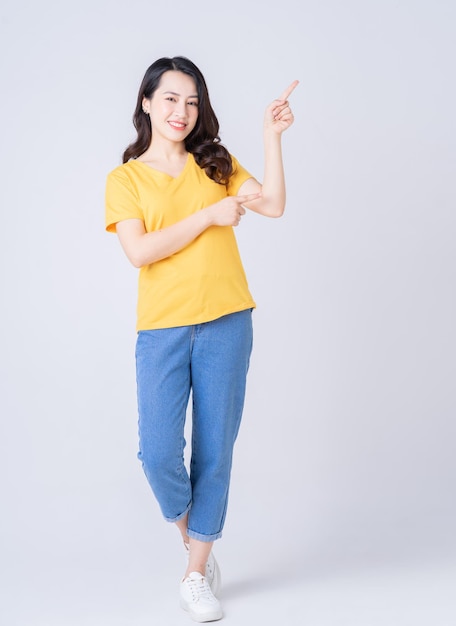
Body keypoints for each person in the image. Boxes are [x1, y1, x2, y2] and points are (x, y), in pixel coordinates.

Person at [105, 56, 297, 622]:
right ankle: (198, 541)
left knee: (214, 451)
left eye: (192, 101)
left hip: (227, 321)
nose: (181, 112)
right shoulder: (126, 179)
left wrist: (271, 137)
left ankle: (196, 573)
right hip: (162, 328)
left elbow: (275, 205)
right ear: (146, 102)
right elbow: (140, 252)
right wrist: (210, 217)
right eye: (170, 99)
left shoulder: (216, 163)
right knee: (159, 452)